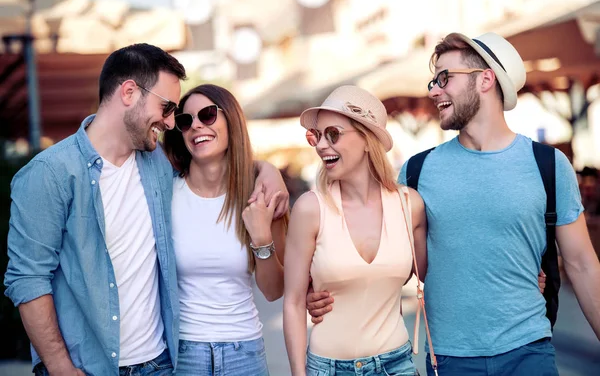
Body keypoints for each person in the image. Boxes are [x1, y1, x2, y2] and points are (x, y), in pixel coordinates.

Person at [309, 32, 600, 376]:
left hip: (529, 352)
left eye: (444, 78)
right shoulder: (416, 172)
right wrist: (325, 288)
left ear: (486, 79)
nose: (433, 90)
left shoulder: (548, 166)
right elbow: (383, 258)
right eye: (433, 81)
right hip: (447, 360)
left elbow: (582, 264)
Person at [4, 44, 288, 376]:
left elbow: (215, 165)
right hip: (87, 367)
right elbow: (28, 279)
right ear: (129, 92)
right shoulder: (49, 173)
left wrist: (266, 170)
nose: (171, 123)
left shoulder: (155, 165)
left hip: (161, 364)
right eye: (168, 109)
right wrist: (59, 366)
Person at [283, 85, 427, 376]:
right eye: (317, 136)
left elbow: (434, 275)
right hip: (327, 368)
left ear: (366, 139)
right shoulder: (310, 209)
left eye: (333, 134)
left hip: (396, 365)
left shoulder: (409, 205)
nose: (322, 145)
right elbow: (294, 302)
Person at [162, 84, 287, 376]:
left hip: (243, 352)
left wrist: (261, 238)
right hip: (183, 354)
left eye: (207, 115)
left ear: (231, 120)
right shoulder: (166, 195)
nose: (196, 126)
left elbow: (274, 291)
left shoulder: (261, 197)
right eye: (185, 120)